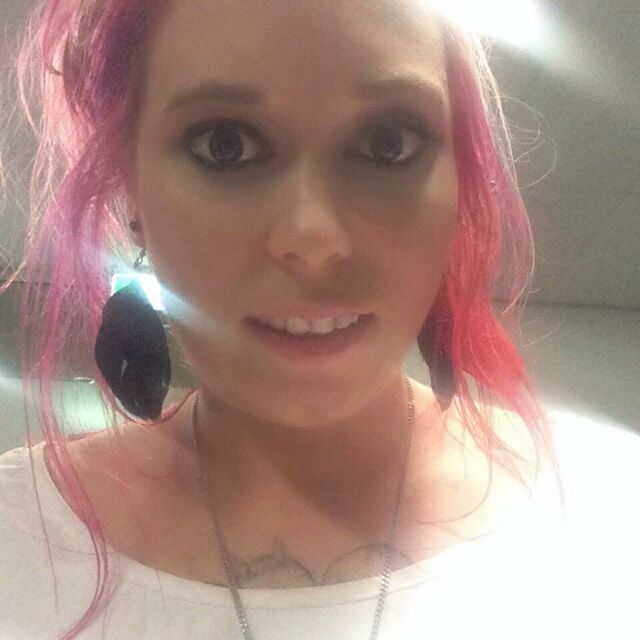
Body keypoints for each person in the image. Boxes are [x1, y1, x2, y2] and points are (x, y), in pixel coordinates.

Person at [0, 1, 638, 639]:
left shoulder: (612, 511)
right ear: (131, 189)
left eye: (388, 144)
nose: (315, 239)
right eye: (225, 145)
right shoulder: (17, 533)